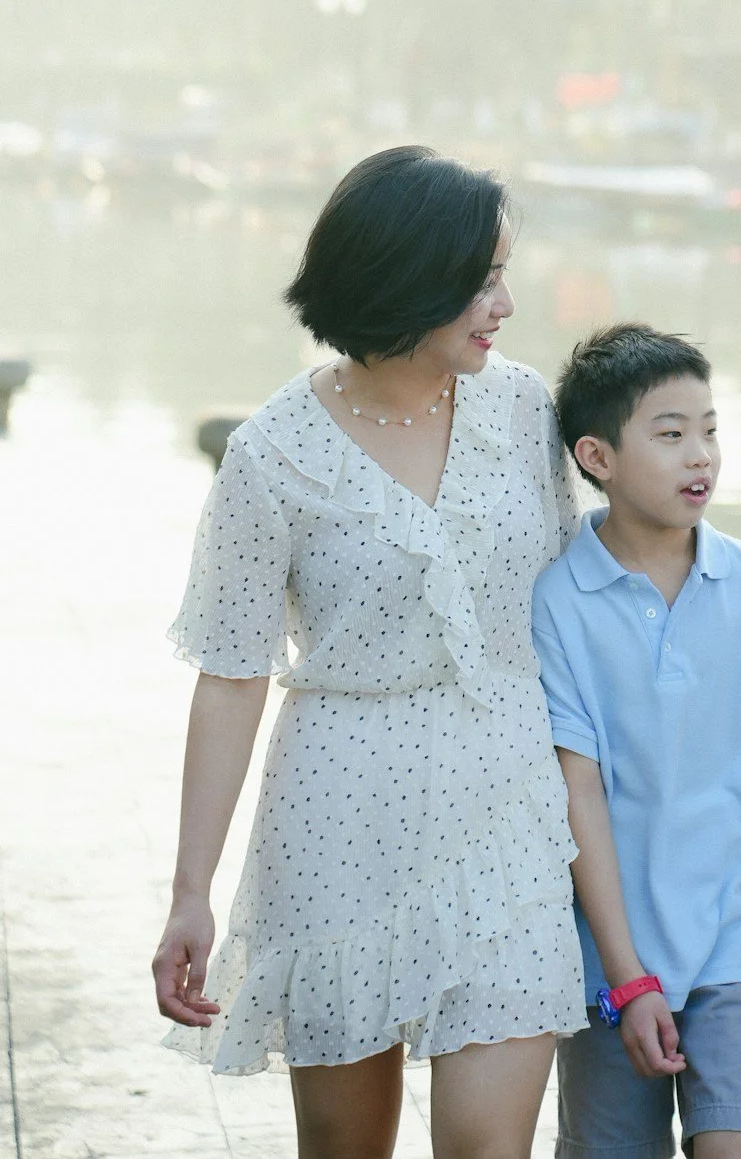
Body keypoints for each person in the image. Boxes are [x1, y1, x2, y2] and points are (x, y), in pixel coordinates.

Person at [152, 145, 585, 1159]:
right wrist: (189, 889)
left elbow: (579, 600)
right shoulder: (271, 454)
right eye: (481, 280)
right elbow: (230, 675)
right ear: (407, 278)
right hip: (336, 823)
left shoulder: (523, 408)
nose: (506, 303)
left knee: (489, 1148)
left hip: (506, 811)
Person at [533, 323, 741, 1159]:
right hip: (604, 953)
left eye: (709, 429)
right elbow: (576, 789)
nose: (701, 455)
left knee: (734, 1145)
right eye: (669, 436)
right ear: (597, 457)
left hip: (732, 935)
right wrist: (626, 978)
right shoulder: (559, 599)